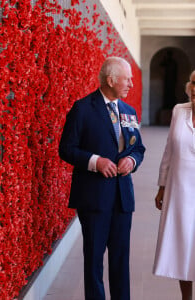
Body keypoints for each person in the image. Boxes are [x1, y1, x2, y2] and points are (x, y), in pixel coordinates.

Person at [59, 56, 146, 300]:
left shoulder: (129, 111)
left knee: (121, 261)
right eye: (126, 79)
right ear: (110, 80)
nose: (131, 83)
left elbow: (138, 148)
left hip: (122, 199)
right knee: (94, 262)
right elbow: (66, 148)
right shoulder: (83, 109)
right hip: (94, 199)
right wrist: (95, 162)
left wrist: (132, 161)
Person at [153, 70, 195, 300]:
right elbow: (169, 149)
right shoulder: (179, 111)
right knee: (183, 244)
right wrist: (162, 185)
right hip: (179, 191)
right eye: (194, 83)